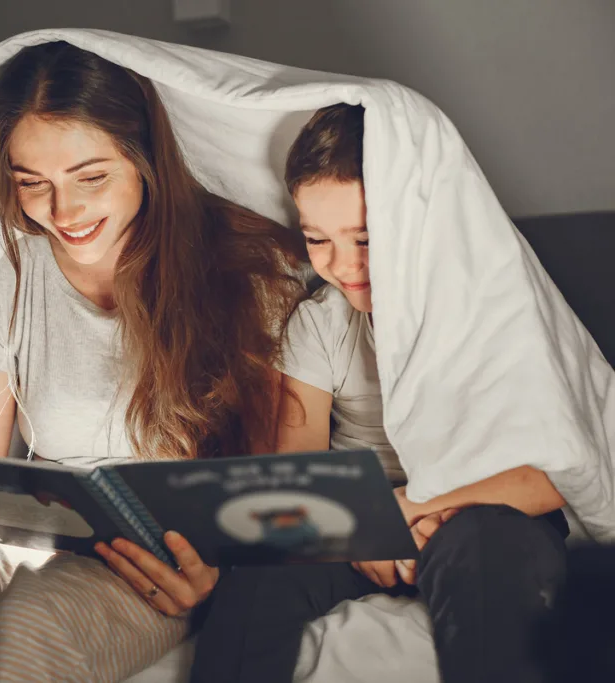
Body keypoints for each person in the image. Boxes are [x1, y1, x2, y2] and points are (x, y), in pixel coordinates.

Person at [0, 41, 306, 682]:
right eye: (33, 183)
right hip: (39, 529)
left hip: (158, 552)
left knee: (30, 623)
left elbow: (276, 474)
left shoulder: (251, 269)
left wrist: (219, 571)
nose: (63, 213)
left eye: (91, 177)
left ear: (145, 160)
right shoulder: (11, 268)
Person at [189, 104, 569, 683]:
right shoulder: (321, 322)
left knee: (486, 546)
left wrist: (411, 510)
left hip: (487, 508)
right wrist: (360, 526)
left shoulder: (493, 308)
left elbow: (554, 476)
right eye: (318, 239)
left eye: (365, 238)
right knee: (262, 572)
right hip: (358, 512)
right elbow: (298, 476)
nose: (343, 265)